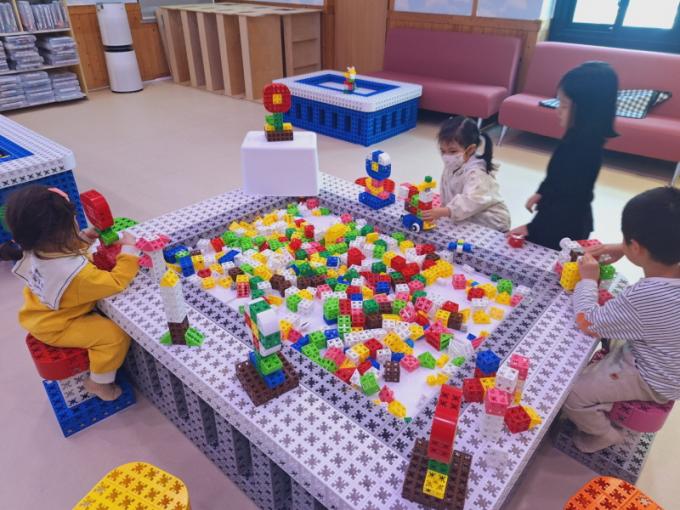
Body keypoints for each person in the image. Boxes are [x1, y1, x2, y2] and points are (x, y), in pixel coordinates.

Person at [563, 186, 680, 453]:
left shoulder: (647, 295)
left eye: (625, 240)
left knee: (572, 393)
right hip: (669, 356)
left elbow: (588, 322)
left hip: (655, 376)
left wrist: (588, 280)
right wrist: (623, 248)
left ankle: (604, 434)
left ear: (637, 247)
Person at [0, 185, 140, 401]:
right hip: (58, 325)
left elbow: (64, 252)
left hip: (37, 311)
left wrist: (85, 238)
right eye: (73, 221)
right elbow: (117, 282)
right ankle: (99, 383)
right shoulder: (76, 275)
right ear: (65, 232)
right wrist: (130, 251)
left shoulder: (34, 247)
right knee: (113, 337)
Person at [508, 62, 619, 250]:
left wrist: (532, 228)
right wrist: (542, 192)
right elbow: (556, 175)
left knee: (553, 262)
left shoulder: (585, 150)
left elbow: (567, 201)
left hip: (564, 227)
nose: (558, 109)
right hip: (554, 218)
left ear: (587, 111)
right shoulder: (574, 137)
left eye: (565, 105)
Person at [421, 116, 511, 232]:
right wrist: (442, 212)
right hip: (465, 215)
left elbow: (471, 200)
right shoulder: (455, 163)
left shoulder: (477, 173)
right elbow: (447, 189)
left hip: (492, 222)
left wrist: (445, 211)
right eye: (443, 151)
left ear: (470, 150)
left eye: (452, 151)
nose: (446, 156)